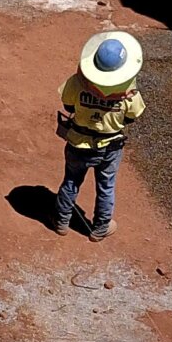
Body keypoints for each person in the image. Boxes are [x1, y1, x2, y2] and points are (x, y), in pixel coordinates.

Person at [54, 31, 145, 241]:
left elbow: (68, 105)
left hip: (78, 142)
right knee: (106, 186)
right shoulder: (130, 93)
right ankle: (100, 228)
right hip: (110, 148)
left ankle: (61, 221)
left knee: (71, 181)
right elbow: (132, 117)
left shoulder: (77, 82)